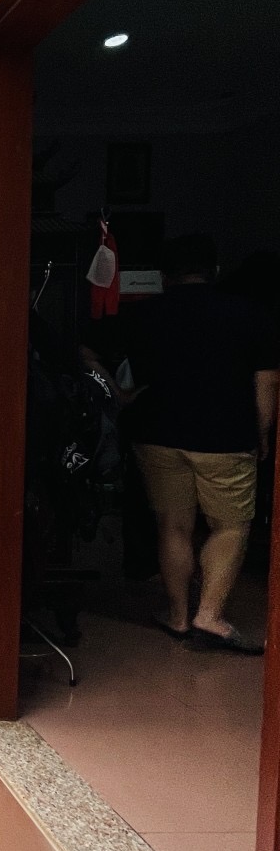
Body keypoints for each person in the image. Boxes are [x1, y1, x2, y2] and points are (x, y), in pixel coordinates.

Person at [93, 233, 279, 653]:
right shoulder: (251, 314)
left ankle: (177, 615)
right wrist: (263, 434)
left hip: (157, 434)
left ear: (164, 275)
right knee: (230, 525)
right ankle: (209, 616)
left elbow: (87, 352)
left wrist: (120, 395)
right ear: (215, 270)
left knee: (172, 525)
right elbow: (267, 382)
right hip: (226, 436)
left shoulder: (143, 314)